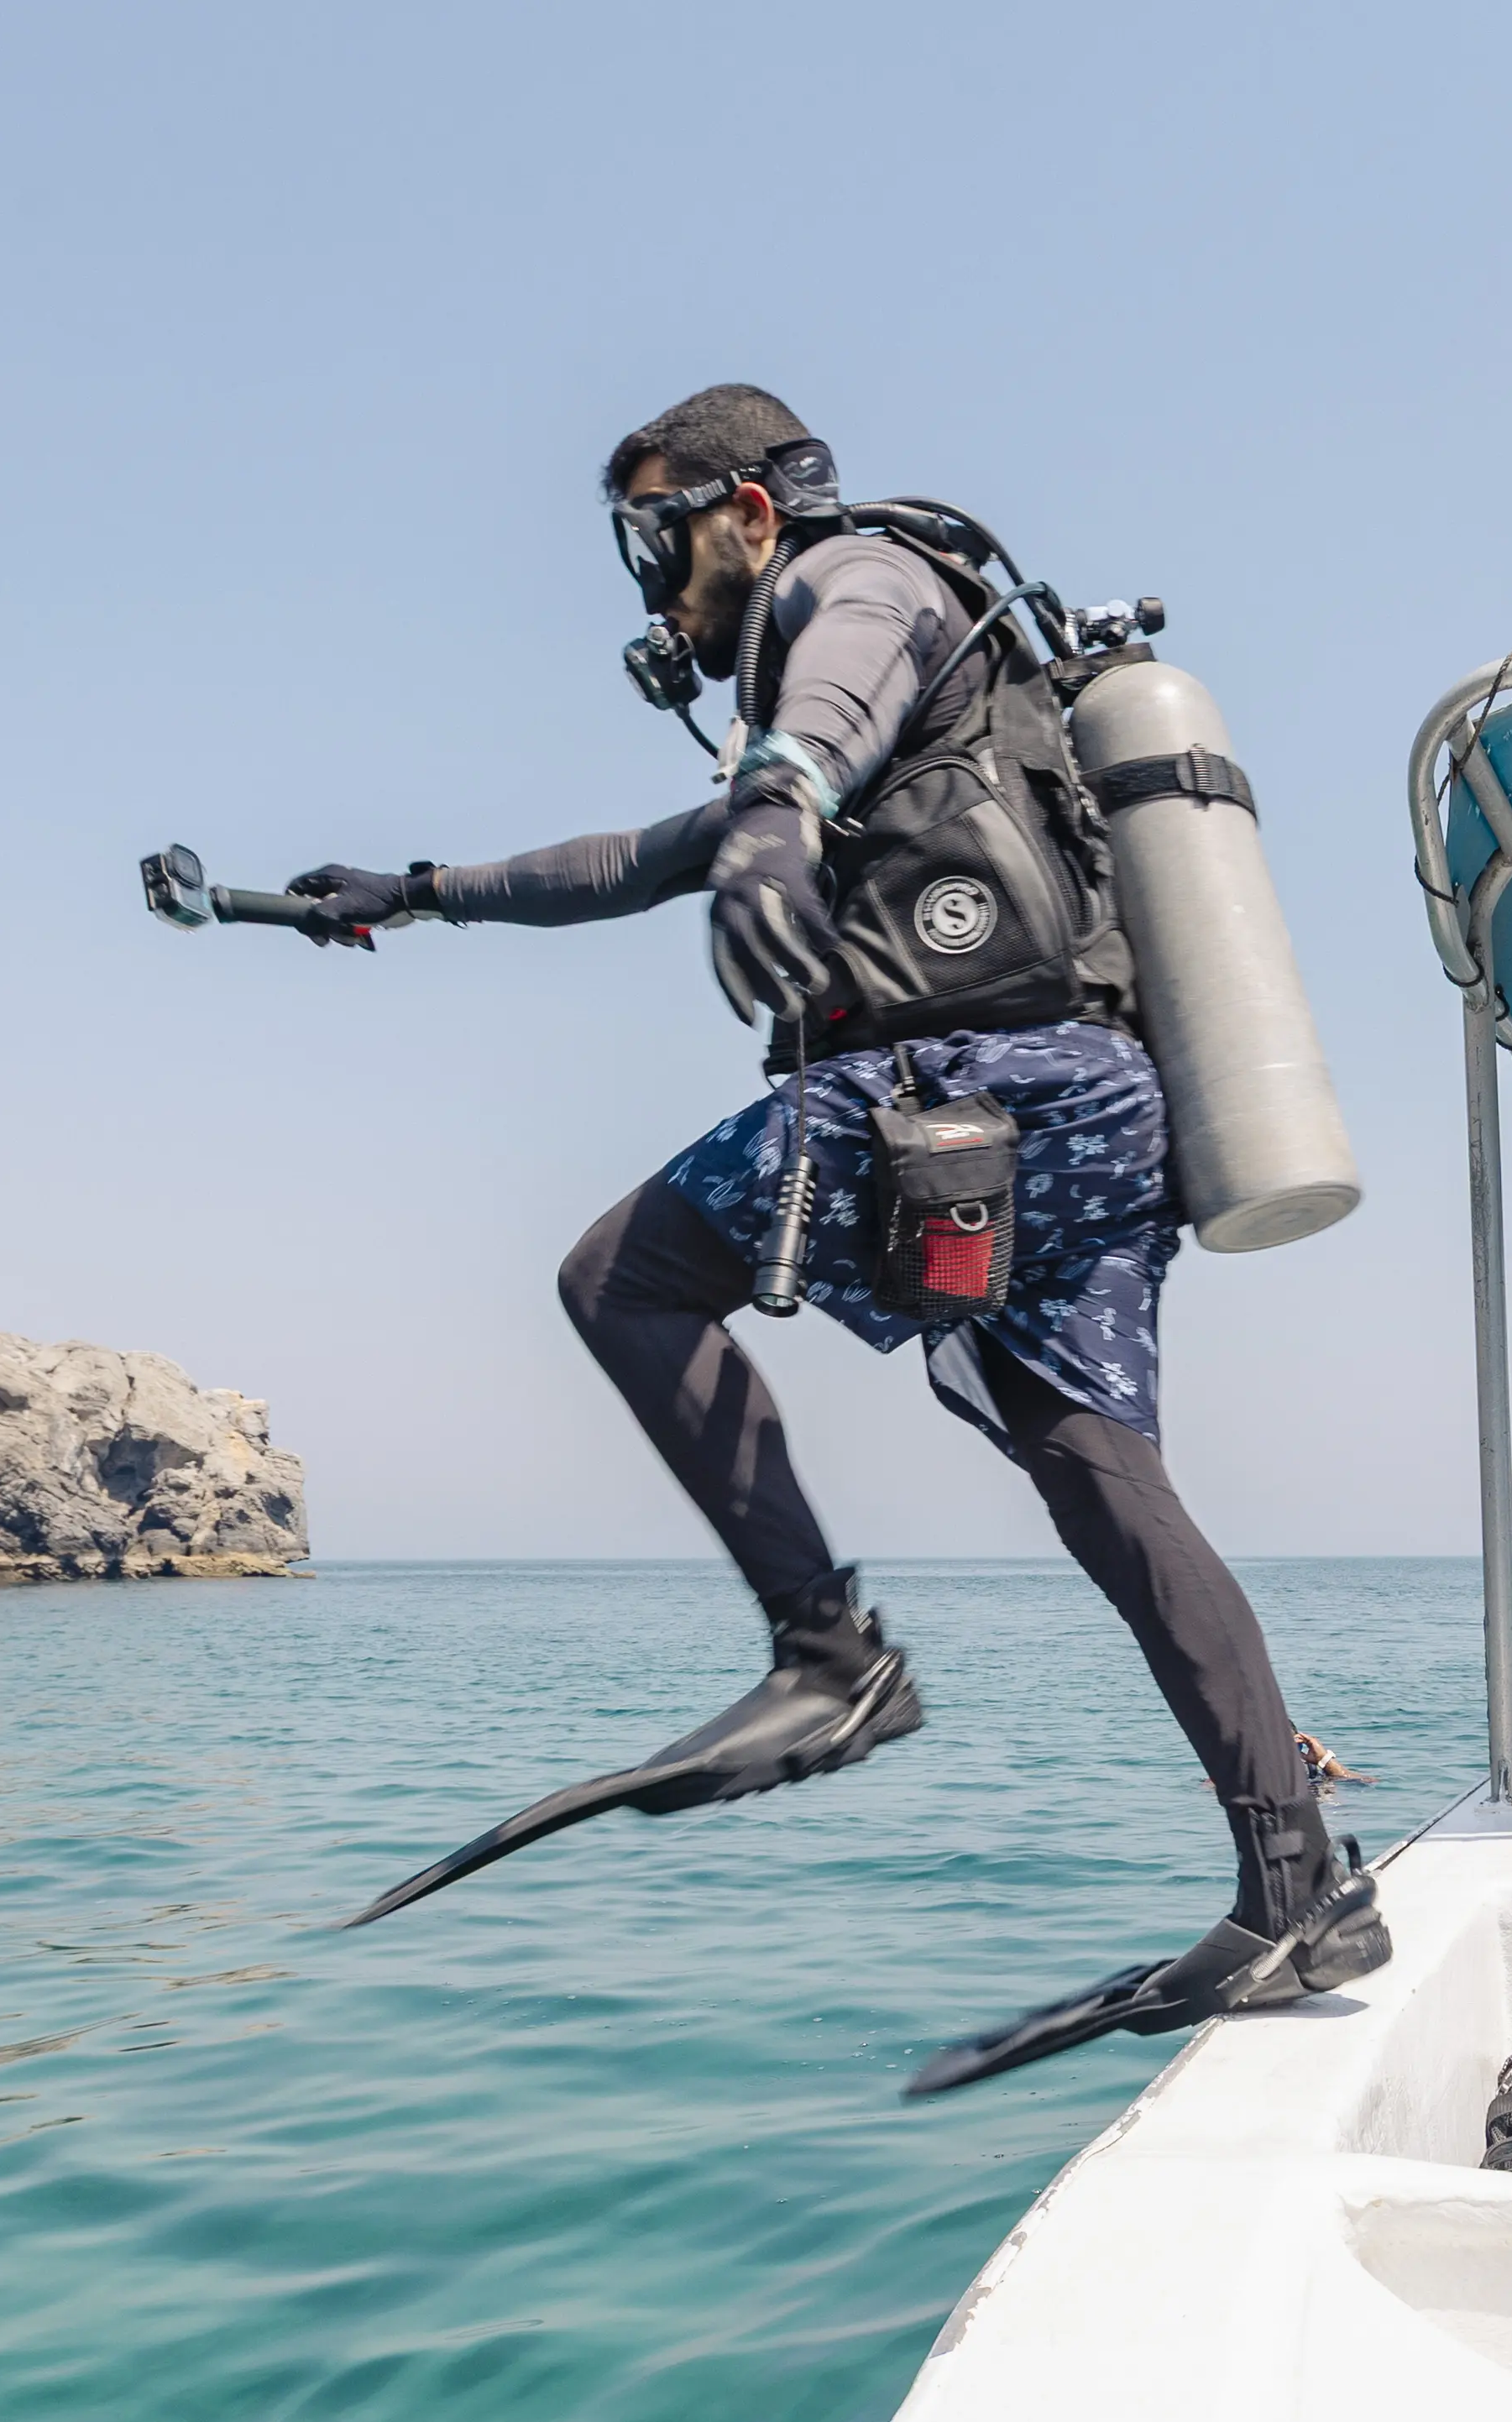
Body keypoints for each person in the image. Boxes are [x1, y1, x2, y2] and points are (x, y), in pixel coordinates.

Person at [275, 384, 1384, 2090]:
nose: (654, 585)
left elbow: (833, 690)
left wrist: (784, 800)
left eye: (657, 537)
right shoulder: (920, 669)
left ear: (744, 511)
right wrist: (416, 892)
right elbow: (634, 858)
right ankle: (1294, 1881)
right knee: (1103, 1480)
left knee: (620, 1278)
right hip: (1106, 1110)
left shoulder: (853, 575)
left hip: (981, 1084)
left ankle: (829, 1655)